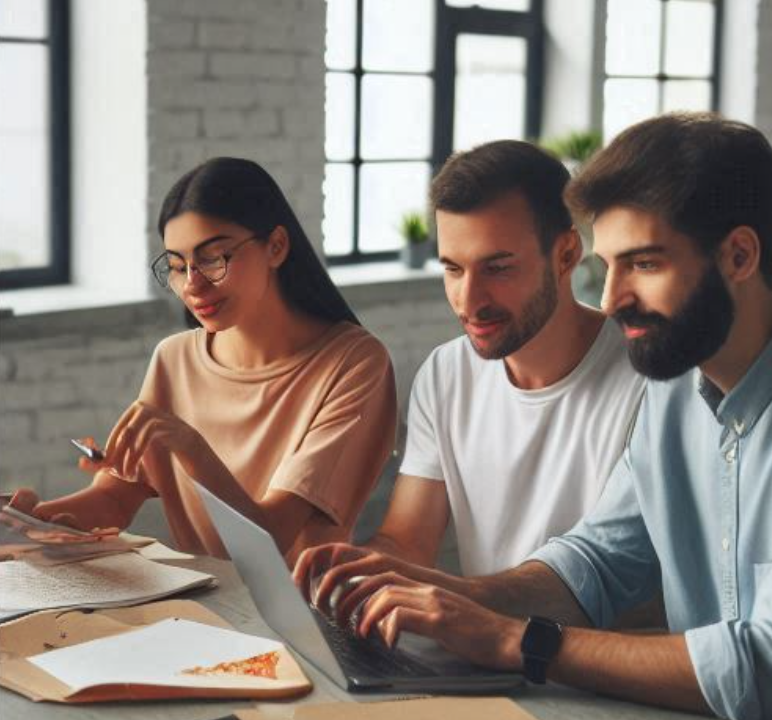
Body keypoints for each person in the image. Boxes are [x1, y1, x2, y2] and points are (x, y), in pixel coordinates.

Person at [315, 114, 772, 720]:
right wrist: (451, 598)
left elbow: (761, 664)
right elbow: (596, 563)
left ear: (738, 255)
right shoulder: (677, 390)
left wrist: (516, 640)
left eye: (643, 264)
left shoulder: (651, 377)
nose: (610, 300)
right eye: (609, 266)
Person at [294, 140, 645, 608]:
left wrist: (457, 604)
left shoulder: (649, 381)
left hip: (589, 653)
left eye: (497, 268)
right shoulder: (446, 373)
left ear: (565, 255)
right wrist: (354, 574)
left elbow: (610, 581)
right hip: (478, 642)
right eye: (453, 269)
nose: (469, 300)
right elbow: (407, 541)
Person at [10, 157, 397, 564]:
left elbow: (268, 540)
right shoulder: (173, 358)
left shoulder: (354, 364)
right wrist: (32, 522)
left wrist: (190, 447)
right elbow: (115, 497)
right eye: (177, 266)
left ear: (276, 246)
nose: (192, 285)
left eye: (213, 258)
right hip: (201, 599)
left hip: (304, 604)